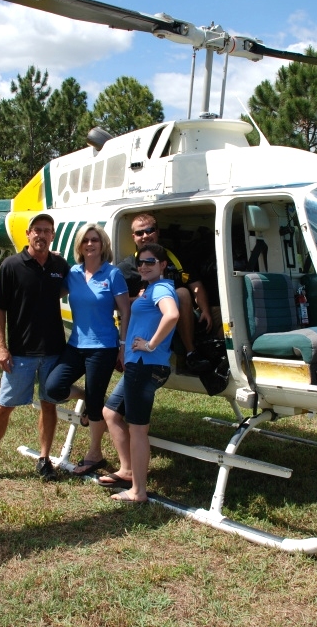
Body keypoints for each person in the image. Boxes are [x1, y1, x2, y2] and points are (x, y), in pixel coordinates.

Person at [0, 213, 70, 486]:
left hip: (52, 351)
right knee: (4, 407)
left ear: (53, 235)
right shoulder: (12, 265)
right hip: (21, 353)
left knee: (49, 406)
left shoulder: (60, 265)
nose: (42, 235)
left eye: (47, 230)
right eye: (37, 230)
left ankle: (44, 459)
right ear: (28, 233)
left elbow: (65, 290)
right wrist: (1, 348)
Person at [45, 224, 130, 476]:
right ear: (80, 246)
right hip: (76, 345)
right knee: (52, 387)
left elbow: (125, 311)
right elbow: (52, 291)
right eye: (85, 241)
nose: (90, 244)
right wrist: (52, 262)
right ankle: (87, 396)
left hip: (103, 347)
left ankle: (95, 454)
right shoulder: (72, 273)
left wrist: (122, 347)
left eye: (95, 240)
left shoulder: (112, 274)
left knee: (95, 403)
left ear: (103, 244)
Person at [98, 243, 179, 503]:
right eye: (140, 262)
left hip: (146, 364)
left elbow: (172, 314)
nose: (143, 266)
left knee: (138, 429)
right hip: (137, 365)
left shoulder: (163, 288)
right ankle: (128, 469)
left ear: (163, 265)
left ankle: (138, 491)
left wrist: (151, 344)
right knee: (110, 412)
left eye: (150, 262)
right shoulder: (151, 289)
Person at [115, 213, 211, 357]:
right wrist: (139, 299)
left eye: (149, 230)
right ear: (133, 237)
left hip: (180, 317)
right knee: (182, 293)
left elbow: (195, 284)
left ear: (158, 232)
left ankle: (193, 354)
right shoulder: (125, 268)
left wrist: (205, 310)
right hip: (148, 321)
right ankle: (191, 353)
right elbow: (114, 303)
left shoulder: (177, 258)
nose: (145, 236)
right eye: (140, 233)